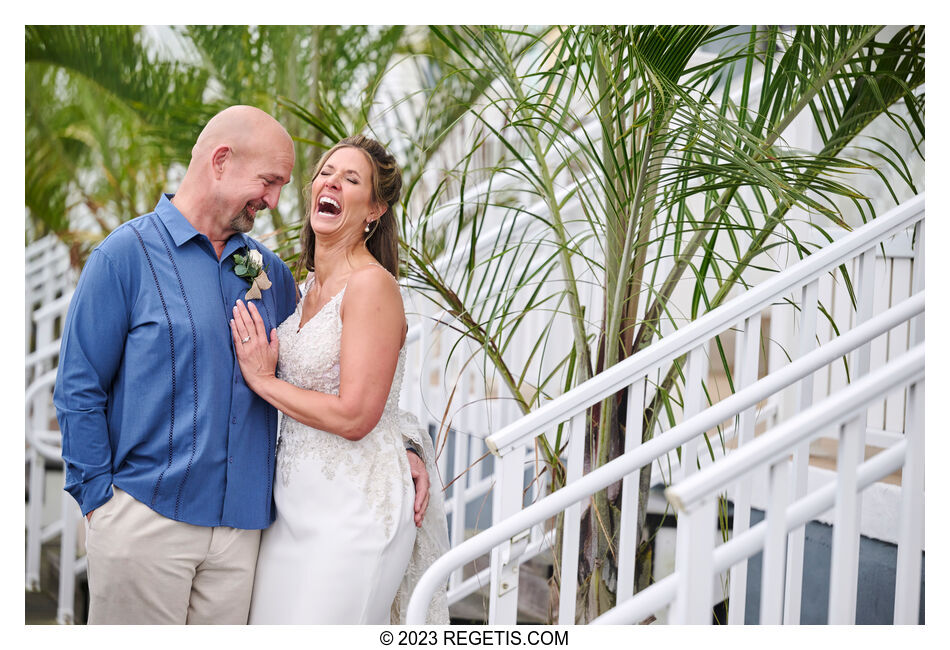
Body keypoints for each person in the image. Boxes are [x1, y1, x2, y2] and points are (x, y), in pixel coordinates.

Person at [53, 107, 431, 625]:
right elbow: (78, 389)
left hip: (245, 543)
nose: (275, 200)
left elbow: (349, 374)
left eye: (281, 186)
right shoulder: (124, 257)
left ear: (376, 209)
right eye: (269, 181)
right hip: (145, 524)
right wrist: (102, 505)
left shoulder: (270, 275)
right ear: (222, 161)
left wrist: (401, 445)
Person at [231, 135, 449, 624]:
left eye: (351, 179)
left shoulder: (373, 286)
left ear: (373, 210)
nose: (331, 182)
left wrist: (263, 381)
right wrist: (412, 441)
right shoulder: (302, 285)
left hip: (352, 513)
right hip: (290, 508)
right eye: (326, 173)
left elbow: (357, 415)